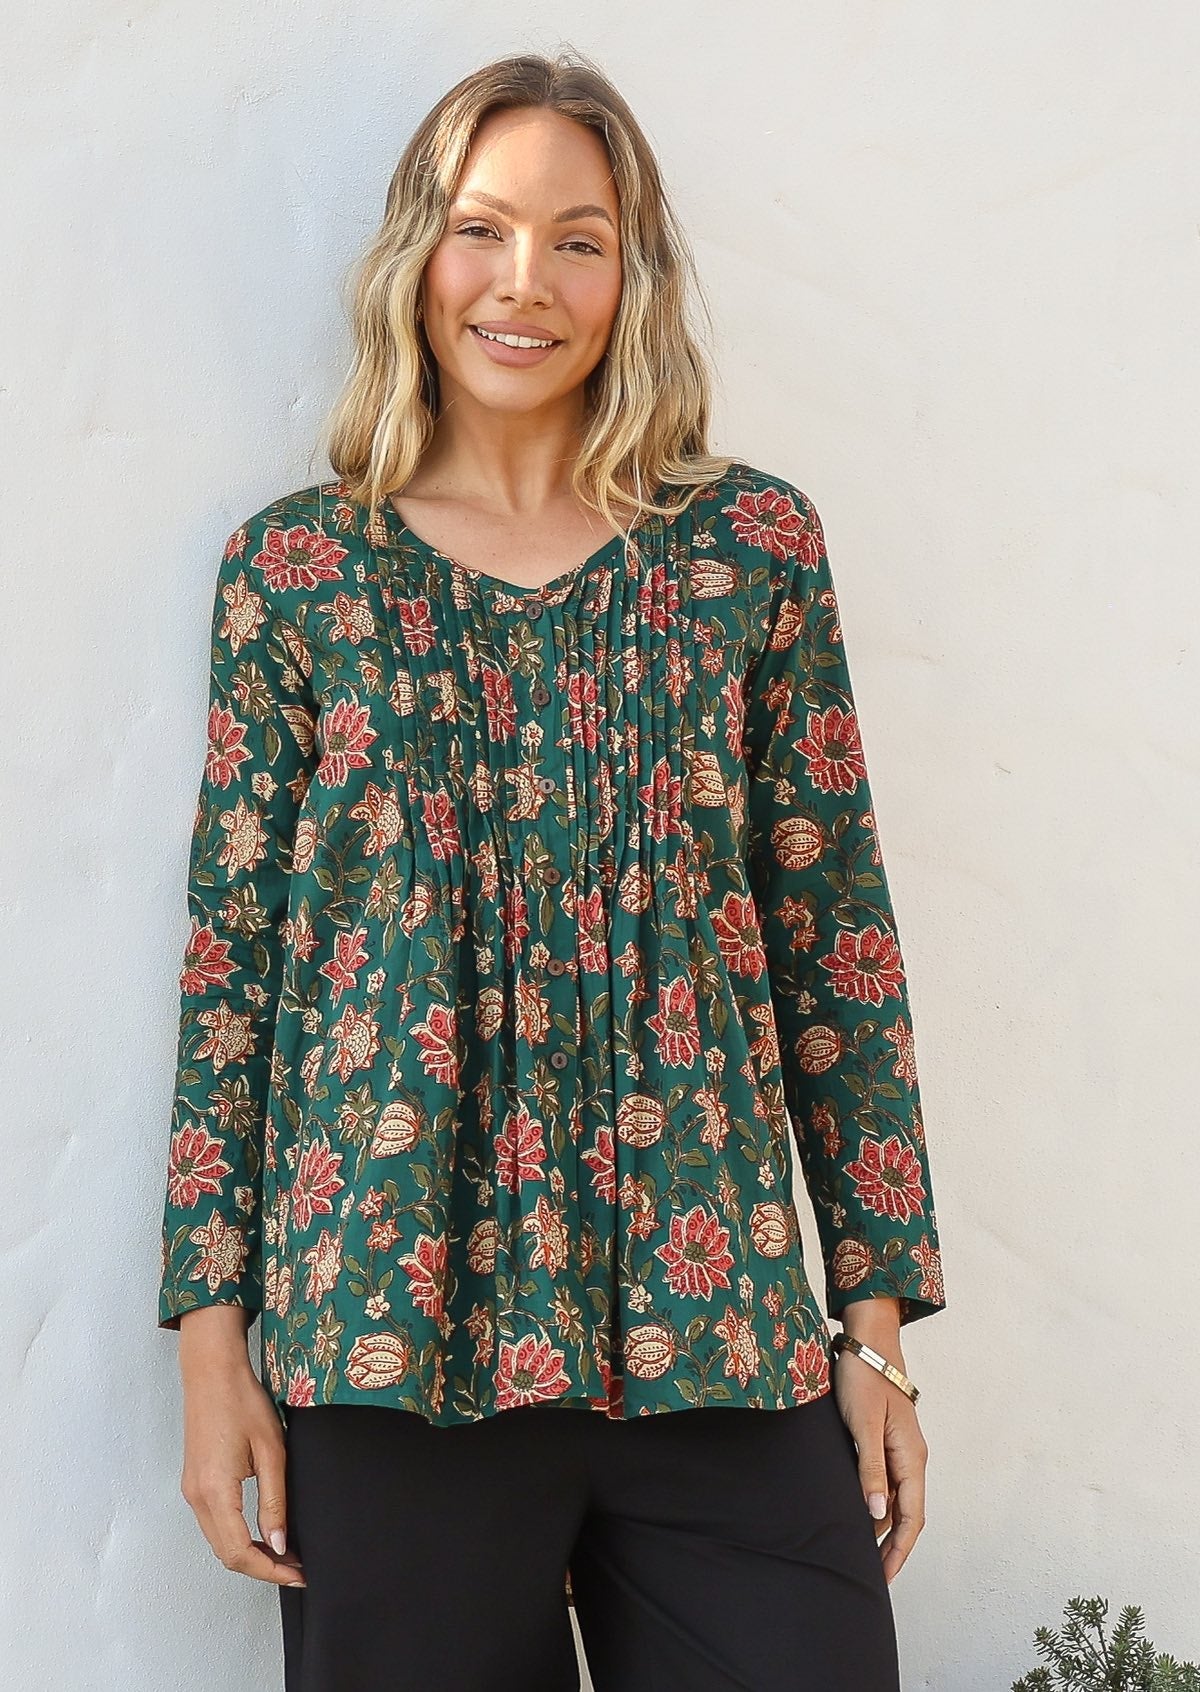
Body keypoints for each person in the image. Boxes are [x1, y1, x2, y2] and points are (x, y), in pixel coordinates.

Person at [157, 49, 947, 1692]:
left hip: (720, 1339)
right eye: (482, 230)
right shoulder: (298, 577)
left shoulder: (750, 552)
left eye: (579, 238)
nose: (527, 284)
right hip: (388, 1338)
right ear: (414, 261)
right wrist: (211, 1349)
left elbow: (837, 943)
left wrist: (872, 1336)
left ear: (631, 274)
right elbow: (236, 970)